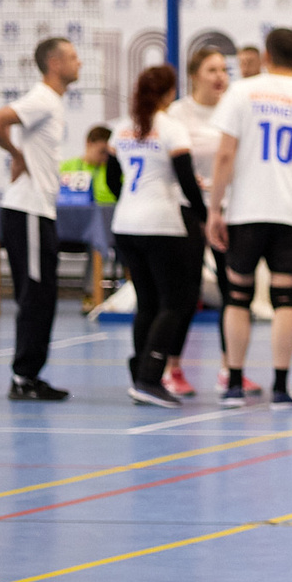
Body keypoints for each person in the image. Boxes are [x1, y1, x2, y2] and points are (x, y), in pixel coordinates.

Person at [206, 28, 292, 410]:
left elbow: (225, 156)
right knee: (284, 299)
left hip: (247, 210)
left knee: (238, 296)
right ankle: (281, 387)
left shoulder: (242, 92)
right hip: (291, 212)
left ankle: (233, 382)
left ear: (265, 55)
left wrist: (215, 209)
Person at [0, 36, 83, 400]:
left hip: (38, 211)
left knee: (42, 295)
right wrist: (15, 153)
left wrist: (19, 151)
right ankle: (23, 377)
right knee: (36, 296)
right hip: (28, 210)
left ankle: (28, 376)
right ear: (53, 63)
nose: (79, 63)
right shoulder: (42, 98)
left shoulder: (50, 101)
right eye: (72, 57)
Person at [112, 66, 209, 408]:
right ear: (170, 93)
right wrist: (206, 217)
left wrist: (134, 199)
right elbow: (186, 183)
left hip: (125, 223)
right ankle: (150, 378)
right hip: (162, 225)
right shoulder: (171, 129)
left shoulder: (122, 128)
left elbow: (113, 178)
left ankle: (141, 373)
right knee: (176, 302)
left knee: (148, 302)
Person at [163, 44, 233, 399]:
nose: (220, 77)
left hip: (226, 209)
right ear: (194, 75)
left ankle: (229, 369)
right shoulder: (178, 113)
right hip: (189, 208)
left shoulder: (234, 110)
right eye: (212, 70)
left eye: (223, 70)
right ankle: (172, 367)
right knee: (186, 291)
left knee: (233, 290)